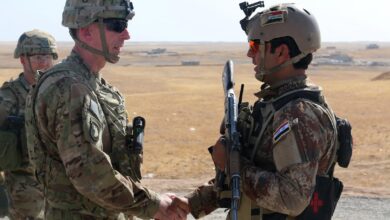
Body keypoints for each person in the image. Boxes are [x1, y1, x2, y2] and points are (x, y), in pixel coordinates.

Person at [173, 2, 346, 220]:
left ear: (281, 52)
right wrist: (193, 202)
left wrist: (232, 163)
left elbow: (290, 198)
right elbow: (253, 175)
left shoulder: (298, 114)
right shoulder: (278, 105)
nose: (249, 54)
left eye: (255, 46)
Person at [25, 0, 185, 220]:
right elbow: (90, 174)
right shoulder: (70, 88)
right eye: (117, 25)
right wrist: (153, 205)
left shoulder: (95, 86)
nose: (126, 35)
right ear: (86, 30)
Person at [0, 29, 58, 219]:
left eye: (49, 56)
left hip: (61, 187)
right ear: (23, 59)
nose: (45, 63)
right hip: (24, 192)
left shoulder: (62, 93)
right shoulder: (8, 99)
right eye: (39, 57)